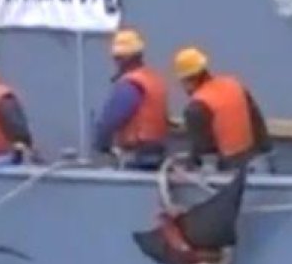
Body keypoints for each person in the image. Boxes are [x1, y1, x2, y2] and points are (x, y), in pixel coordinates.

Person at [172, 46, 271, 172]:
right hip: (252, 160)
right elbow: (257, 123)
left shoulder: (195, 108)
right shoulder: (234, 85)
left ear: (187, 79)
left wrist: (187, 167)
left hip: (228, 168)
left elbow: (204, 152)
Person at [91, 28, 169, 170]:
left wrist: (100, 143)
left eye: (118, 58)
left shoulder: (130, 84)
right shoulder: (153, 79)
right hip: (157, 154)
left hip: (138, 157)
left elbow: (110, 120)